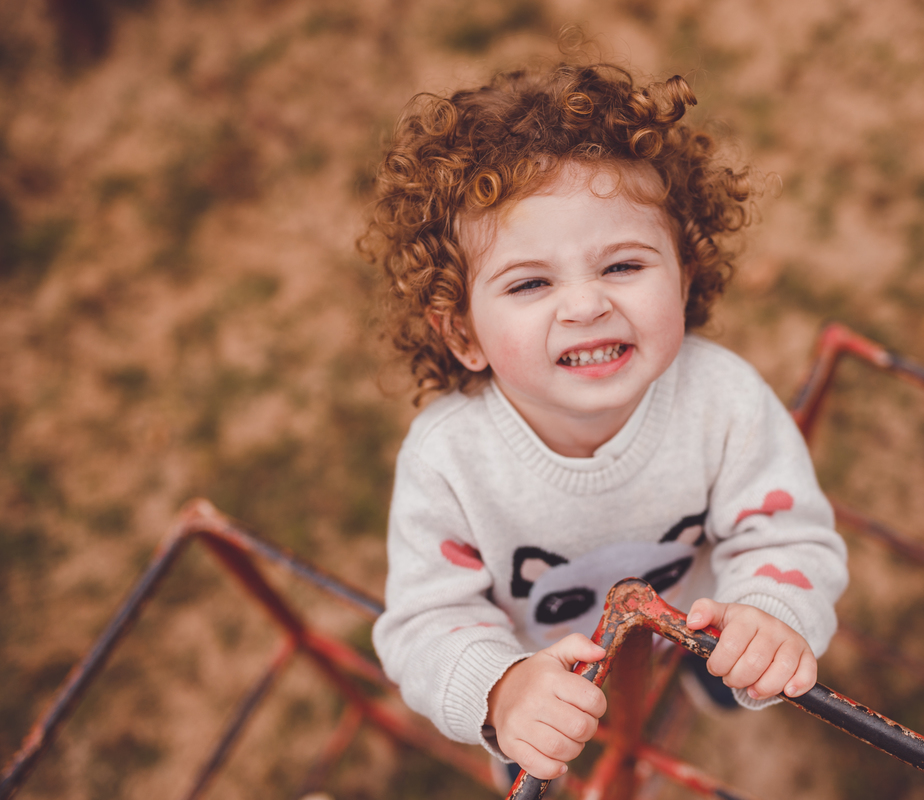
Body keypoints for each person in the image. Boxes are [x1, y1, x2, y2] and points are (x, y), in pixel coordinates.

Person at [362, 61, 848, 783]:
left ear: (685, 275)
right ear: (462, 332)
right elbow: (426, 620)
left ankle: (708, 676)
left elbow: (786, 531)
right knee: (545, 752)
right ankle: (532, 735)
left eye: (623, 266)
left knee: (727, 662)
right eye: (530, 282)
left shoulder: (724, 401)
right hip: (537, 663)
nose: (585, 305)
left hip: (692, 622)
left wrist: (770, 610)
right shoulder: (448, 463)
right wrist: (499, 691)